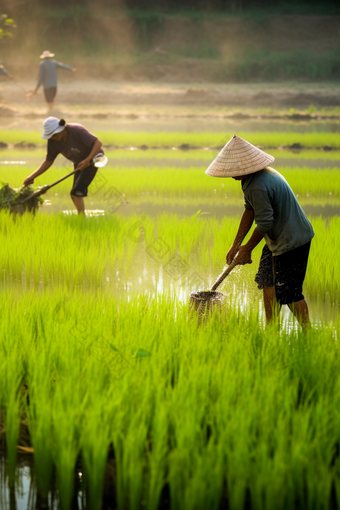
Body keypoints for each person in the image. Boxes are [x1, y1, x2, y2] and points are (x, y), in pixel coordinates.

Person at [205, 134, 314, 330]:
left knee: (290, 293)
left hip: (293, 241)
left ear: (244, 167)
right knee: (267, 281)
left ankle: (309, 336)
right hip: (277, 240)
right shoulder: (251, 179)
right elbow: (250, 210)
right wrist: (236, 244)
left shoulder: (258, 184)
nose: (230, 174)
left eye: (233, 170)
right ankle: (271, 331)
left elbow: (264, 223)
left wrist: (247, 249)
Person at [23, 117, 103, 215]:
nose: (53, 137)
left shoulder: (76, 131)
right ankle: (81, 217)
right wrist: (32, 176)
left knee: (76, 192)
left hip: (94, 158)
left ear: (62, 129)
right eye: (51, 135)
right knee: (74, 194)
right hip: (79, 162)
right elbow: (49, 160)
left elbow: (98, 142)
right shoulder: (53, 141)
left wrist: (87, 160)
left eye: (55, 134)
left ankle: (81, 219)